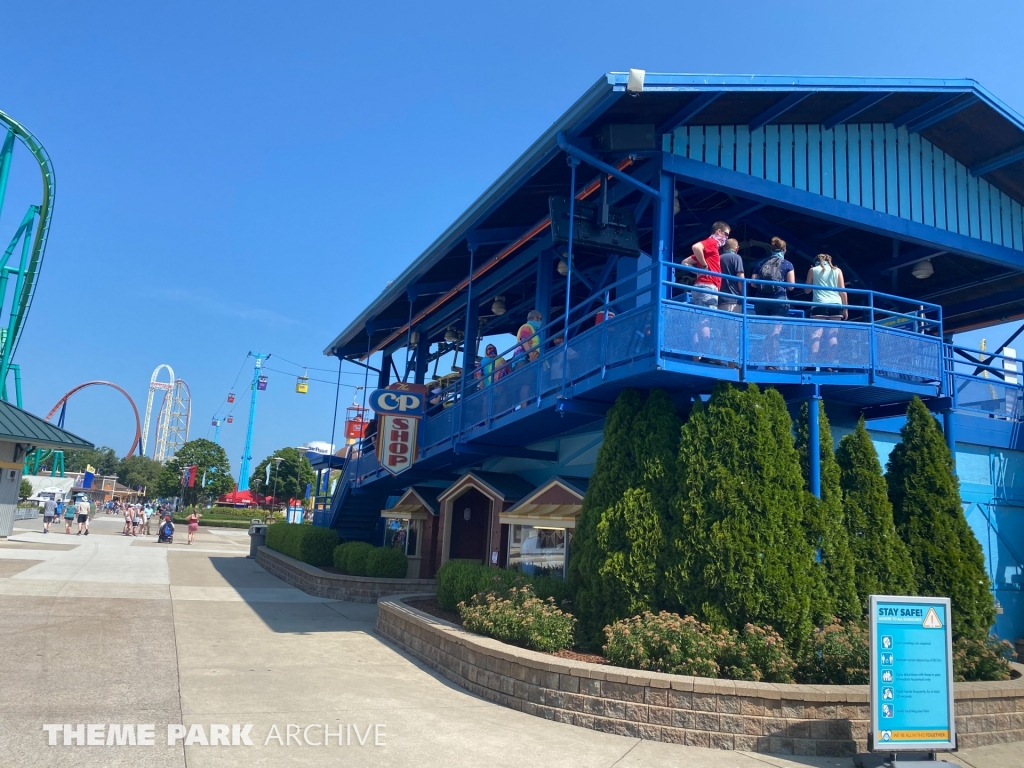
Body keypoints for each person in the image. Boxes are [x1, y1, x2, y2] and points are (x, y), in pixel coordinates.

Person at [682, 222, 729, 361]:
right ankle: (706, 355)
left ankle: (697, 357)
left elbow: (684, 262)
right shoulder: (712, 243)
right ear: (719, 232)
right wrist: (703, 266)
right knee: (707, 321)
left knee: (699, 322)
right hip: (708, 287)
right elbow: (696, 246)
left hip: (698, 287)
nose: (726, 238)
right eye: (726, 234)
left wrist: (698, 271)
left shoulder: (708, 250)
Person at [752, 237, 796, 368]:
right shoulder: (787, 264)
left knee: (766, 333)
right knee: (775, 333)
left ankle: (765, 360)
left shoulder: (761, 263)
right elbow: (791, 286)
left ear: (771, 249)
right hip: (779, 301)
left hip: (761, 301)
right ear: (784, 250)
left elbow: (753, 283)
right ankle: (771, 362)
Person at [805, 253, 848, 369]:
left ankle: (811, 364)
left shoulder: (813, 270)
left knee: (816, 335)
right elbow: (843, 291)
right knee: (833, 336)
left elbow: (807, 290)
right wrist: (845, 309)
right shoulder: (838, 270)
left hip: (819, 304)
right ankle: (830, 364)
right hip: (836, 305)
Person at [717, 238, 745, 314]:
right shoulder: (736, 258)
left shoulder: (718, 258)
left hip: (719, 299)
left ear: (724, 248)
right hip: (733, 300)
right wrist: (743, 295)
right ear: (737, 248)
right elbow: (741, 279)